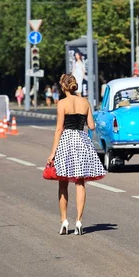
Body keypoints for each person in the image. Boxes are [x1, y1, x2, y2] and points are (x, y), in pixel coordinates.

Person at [46, 74, 106, 236]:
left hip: (66, 142)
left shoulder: (62, 103)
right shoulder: (85, 102)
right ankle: (79, 221)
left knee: (63, 182)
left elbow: (59, 129)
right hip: (81, 141)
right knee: (80, 182)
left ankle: (64, 221)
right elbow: (92, 126)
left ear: (63, 87)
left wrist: (53, 152)